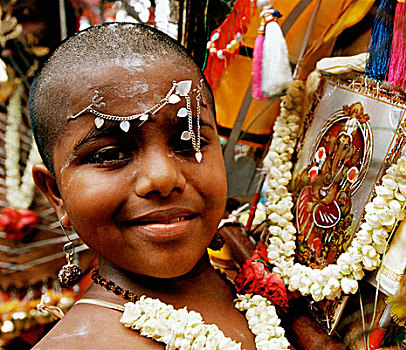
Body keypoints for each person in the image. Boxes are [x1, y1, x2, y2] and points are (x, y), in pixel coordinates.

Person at [29, 22, 262, 349]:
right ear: (56, 194)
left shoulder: (274, 284)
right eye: (110, 154)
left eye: (188, 140)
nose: (163, 178)